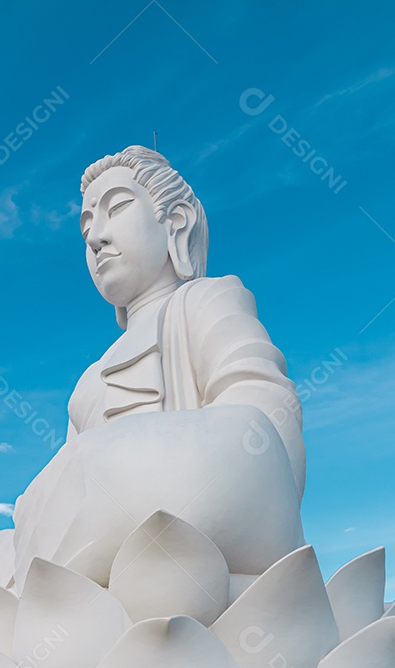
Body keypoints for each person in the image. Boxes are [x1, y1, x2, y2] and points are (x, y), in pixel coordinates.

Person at [67, 145, 305, 500]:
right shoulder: (87, 384)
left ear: (177, 222)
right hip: (96, 533)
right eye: (86, 227)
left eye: (115, 208)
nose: (95, 237)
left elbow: (266, 421)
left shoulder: (207, 302)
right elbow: (60, 492)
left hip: (198, 511)